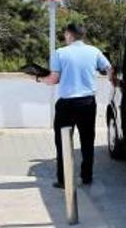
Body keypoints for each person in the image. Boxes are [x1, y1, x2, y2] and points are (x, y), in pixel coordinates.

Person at [40, 23, 112, 188]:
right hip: (87, 102)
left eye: (65, 34)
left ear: (69, 35)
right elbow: (109, 68)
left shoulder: (60, 53)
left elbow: (53, 80)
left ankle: (64, 180)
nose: (65, 37)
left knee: (63, 142)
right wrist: (113, 81)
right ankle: (87, 176)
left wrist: (38, 78)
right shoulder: (94, 51)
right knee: (87, 140)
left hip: (66, 105)